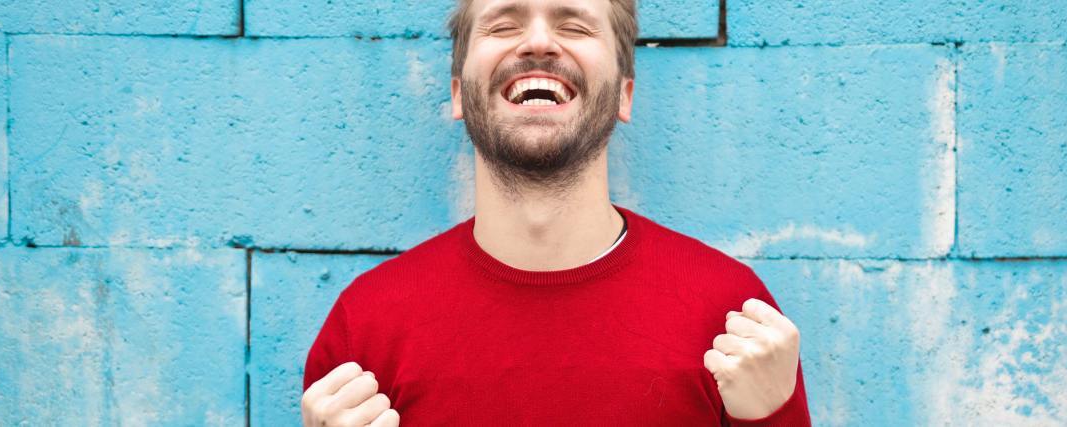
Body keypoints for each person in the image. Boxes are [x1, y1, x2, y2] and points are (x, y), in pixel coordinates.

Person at [300, 0, 811, 425]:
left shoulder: (731, 317)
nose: (539, 43)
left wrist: (770, 418)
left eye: (573, 25)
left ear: (623, 95)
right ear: (458, 92)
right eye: (503, 24)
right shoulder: (366, 329)